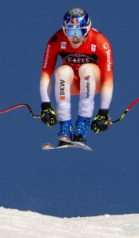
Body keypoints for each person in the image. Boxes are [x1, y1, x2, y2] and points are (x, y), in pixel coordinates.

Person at [39, 8, 114, 144]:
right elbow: (46, 74)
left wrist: (103, 112)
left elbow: (108, 81)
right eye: (69, 31)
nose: (74, 37)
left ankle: (82, 125)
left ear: (87, 30)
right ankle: (65, 126)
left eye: (79, 32)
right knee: (62, 71)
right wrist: (46, 105)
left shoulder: (100, 42)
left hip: (92, 82)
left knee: (87, 69)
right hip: (72, 84)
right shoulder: (56, 40)